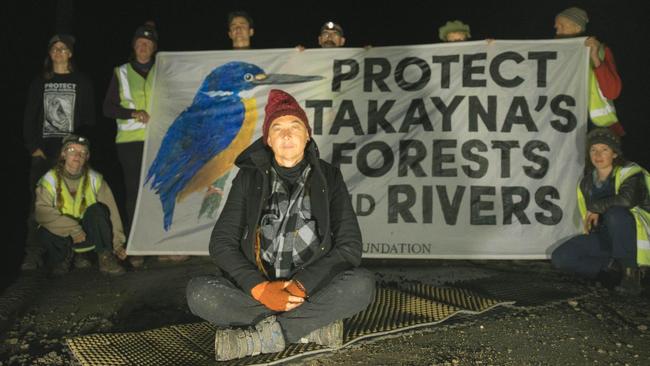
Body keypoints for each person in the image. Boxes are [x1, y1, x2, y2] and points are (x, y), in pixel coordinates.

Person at [186, 89, 375, 361]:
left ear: (307, 135)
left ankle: (264, 336)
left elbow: (349, 246)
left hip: (309, 291)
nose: (287, 135)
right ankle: (309, 328)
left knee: (362, 285)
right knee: (199, 293)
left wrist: (301, 287)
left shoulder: (329, 177)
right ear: (268, 140)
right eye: (278, 128)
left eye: (294, 126)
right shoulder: (248, 178)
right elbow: (221, 244)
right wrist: (260, 289)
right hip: (259, 291)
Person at [22, 34, 96, 270]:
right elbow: (29, 116)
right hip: (43, 154)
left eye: (63, 48)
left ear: (70, 53)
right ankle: (33, 253)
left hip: (72, 156)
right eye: (54, 49)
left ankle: (78, 252)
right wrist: (33, 147)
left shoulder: (81, 81)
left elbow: (89, 118)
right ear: (50, 53)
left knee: (75, 204)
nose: (59, 52)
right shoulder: (40, 82)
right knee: (38, 206)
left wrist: (81, 150)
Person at [551, 128, 650, 294]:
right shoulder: (586, 183)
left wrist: (595, 207)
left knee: (615, 213)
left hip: (636, 238)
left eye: (604, 149)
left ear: (615, 154)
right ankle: (614, 270)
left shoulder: (631, 172)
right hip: (606, 237)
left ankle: (631, 276)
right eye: (593, 149)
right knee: (561, 257)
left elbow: (626, 200)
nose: (598, 154)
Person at [35, 135, 127, 276]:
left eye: (83, 152)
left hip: (87, 236)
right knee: (44, 229)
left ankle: (105, 257)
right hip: (64, 236)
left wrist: (118, 245)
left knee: (98, 210)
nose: (77, 155)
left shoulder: (96, 179)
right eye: (72, 150)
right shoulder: (49, 179)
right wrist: (73, 229)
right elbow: (41, 212)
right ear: (63, 154)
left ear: (87, 157)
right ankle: (63, 258)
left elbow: (113, 213)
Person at [554, 6, 625, 136]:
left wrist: (595, 58)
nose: (557, 32)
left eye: (561, 26)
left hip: (598, 129)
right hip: (564, 128)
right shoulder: (555, 56)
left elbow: (612, 92)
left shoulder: (600, 51)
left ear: (577, 28)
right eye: (556, 28)